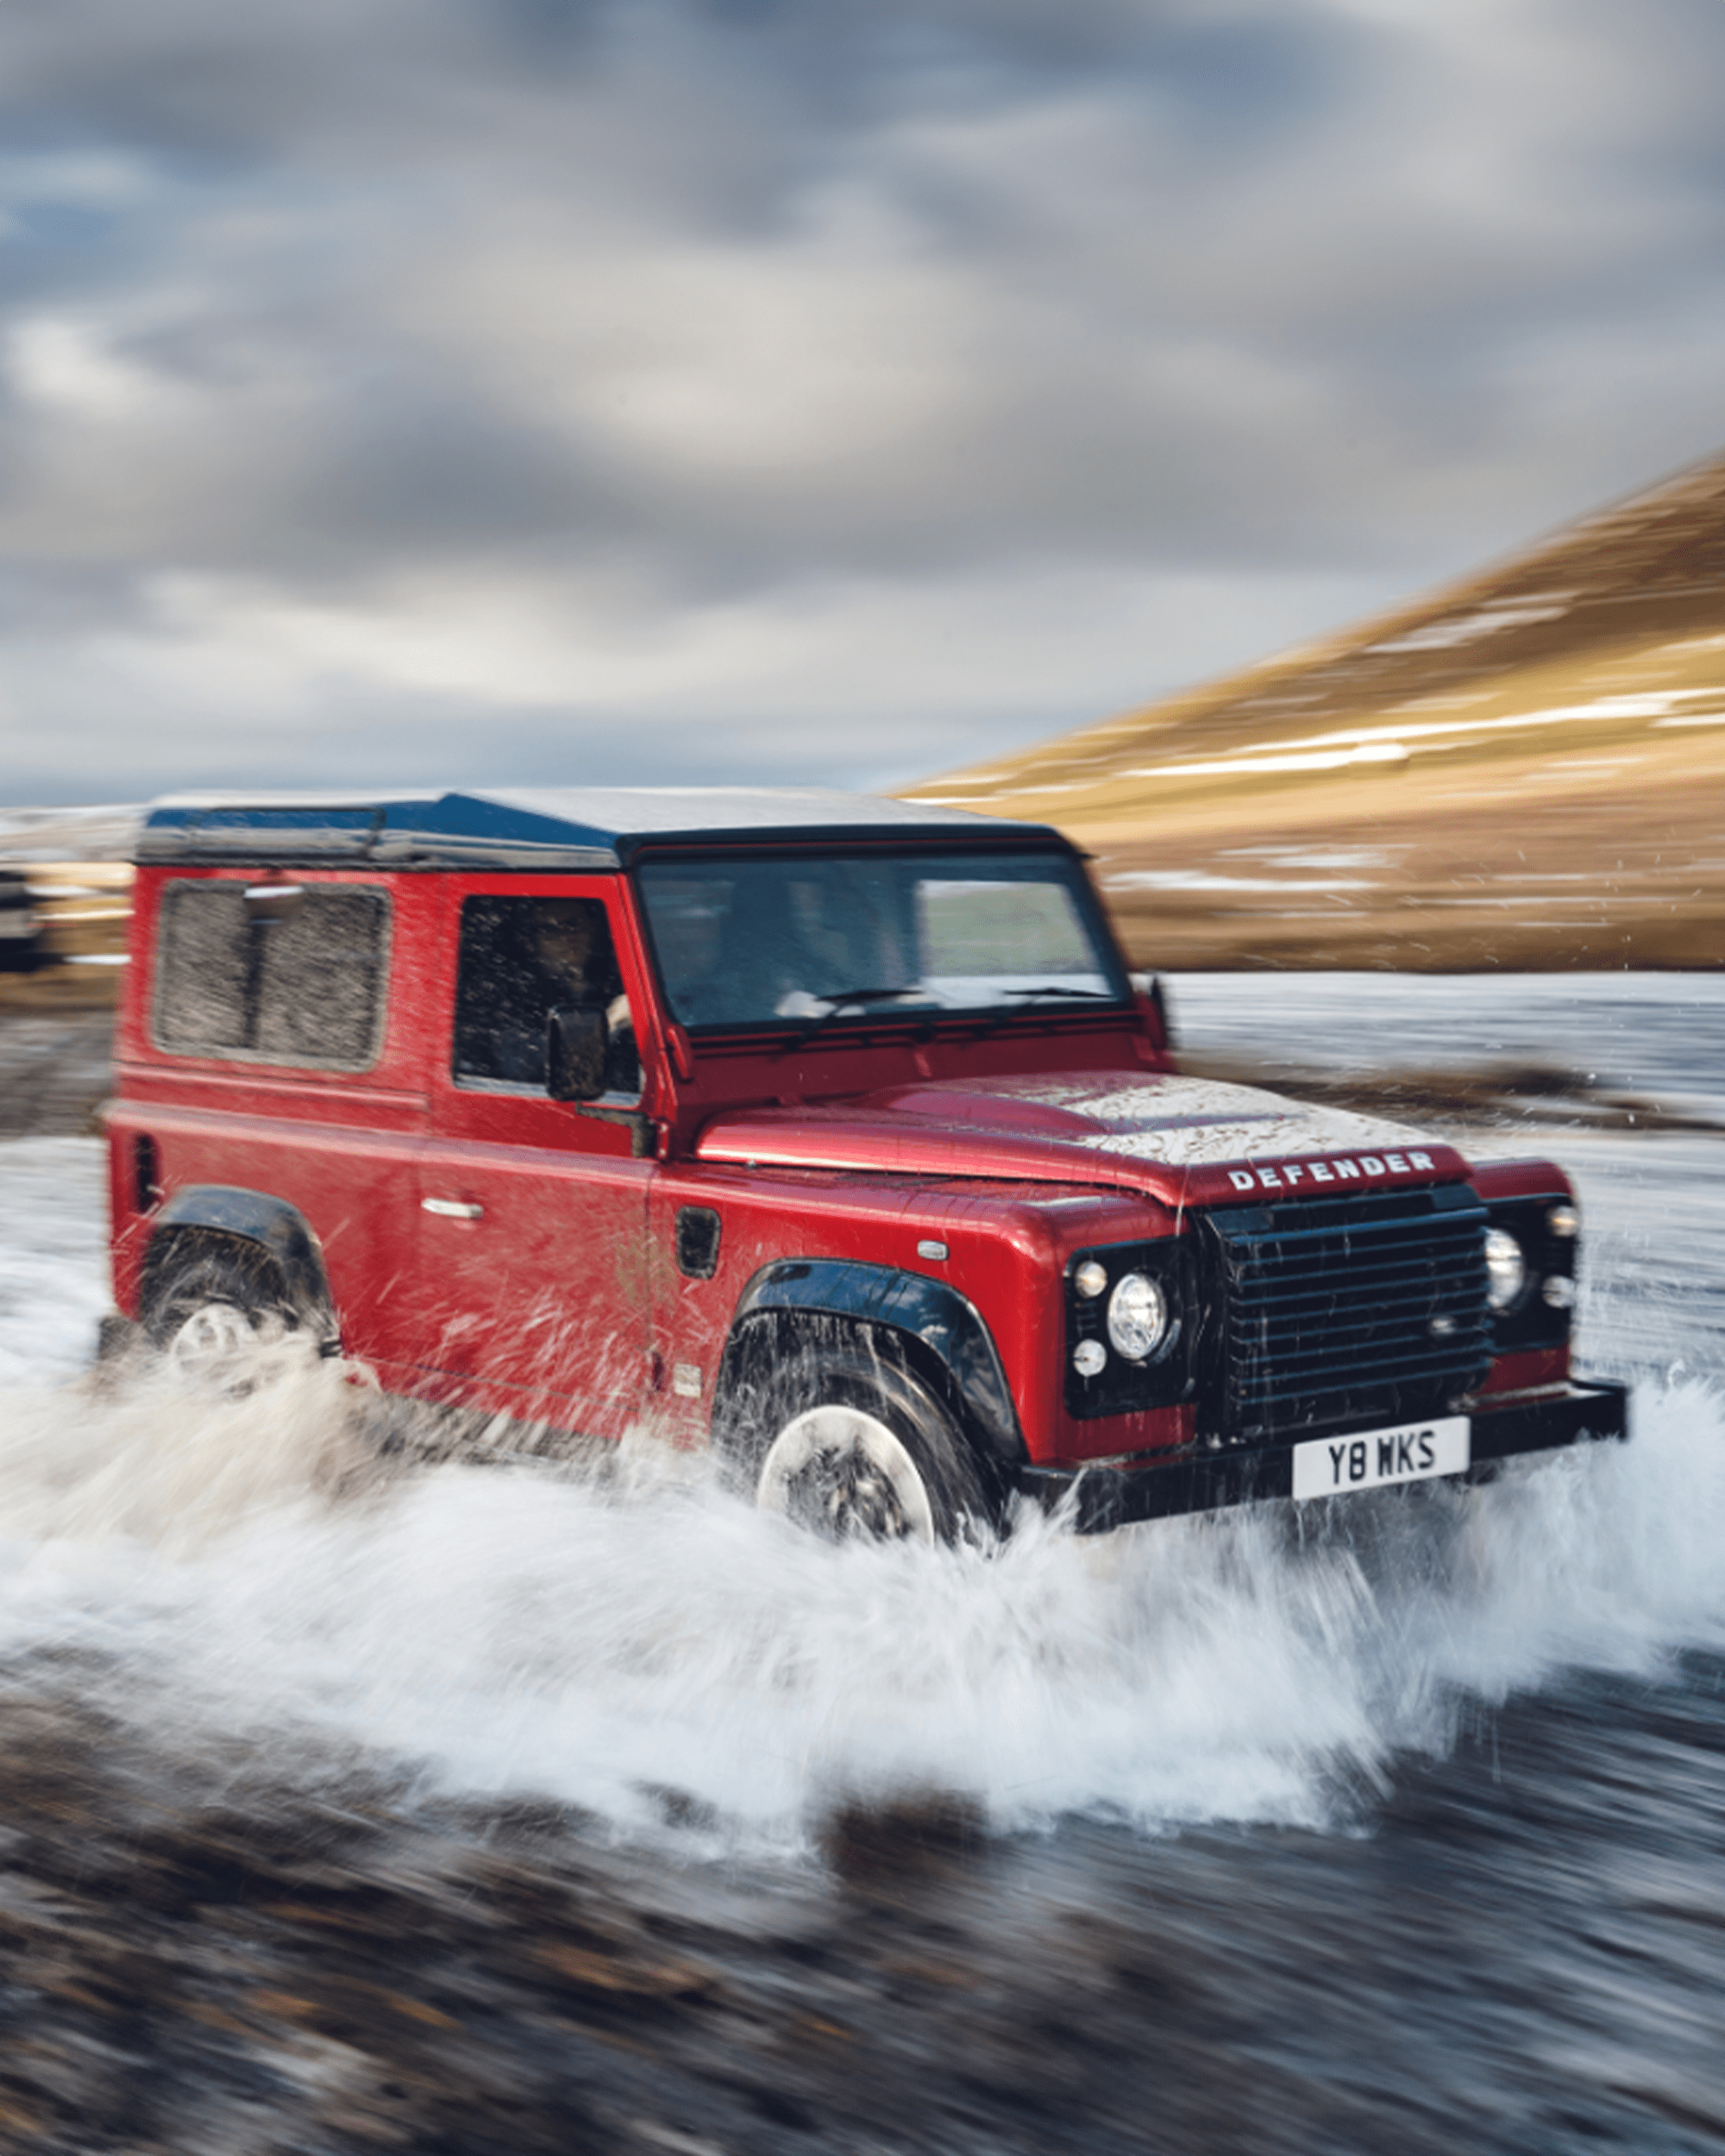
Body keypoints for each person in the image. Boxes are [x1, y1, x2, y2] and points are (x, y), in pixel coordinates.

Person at [454, 897, 638, 1093]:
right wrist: (612, 1023)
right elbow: (524, 1066)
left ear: (593, 929)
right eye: (550, 930)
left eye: (574, 925)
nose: (566, 937)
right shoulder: (515, 994)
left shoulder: (620, 978)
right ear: (531, 942)